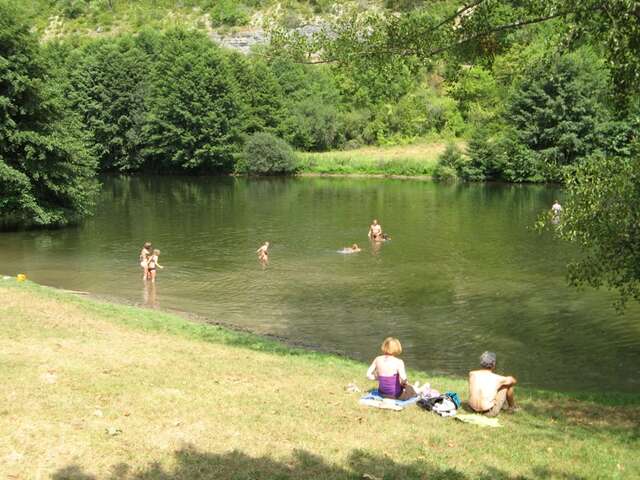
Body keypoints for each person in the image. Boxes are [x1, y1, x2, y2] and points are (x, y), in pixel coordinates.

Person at [468, 351, 518, 417]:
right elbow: (514, 381)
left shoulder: (472, 374)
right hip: (488, 413)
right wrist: (507, 379)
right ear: (493, 364)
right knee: (507, 385)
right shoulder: (498, 378)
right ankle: (512, 407)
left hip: (471, 409)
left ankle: (504, 405)